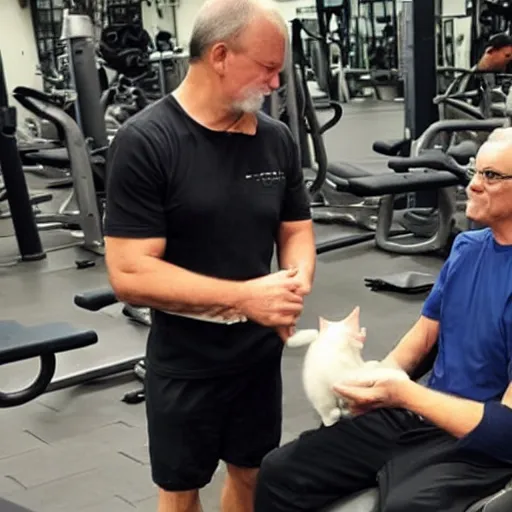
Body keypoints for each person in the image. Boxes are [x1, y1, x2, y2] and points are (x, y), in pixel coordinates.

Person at [102, 0, 316, 510]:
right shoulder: (147, 141)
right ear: (220, 55)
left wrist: (294, 284)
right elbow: (129, 272)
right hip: (186, 358)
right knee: (180, 490)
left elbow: (296, 229)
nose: (273, 82)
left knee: (251, 471)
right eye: (267, 68)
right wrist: (245, 297)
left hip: (257, 353)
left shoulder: (276, 138)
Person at [254, 127, 512, 512]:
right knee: (281, 472)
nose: (473, 185)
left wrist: (403, 392)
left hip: (482, 441)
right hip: (423, 416)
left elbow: (504, 430)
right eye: (475, 171)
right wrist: (374, 382)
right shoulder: (467, 249)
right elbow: (425, 336)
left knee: (404, 507)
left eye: (490, 176)